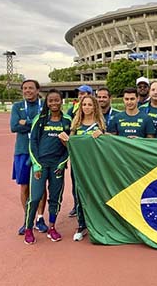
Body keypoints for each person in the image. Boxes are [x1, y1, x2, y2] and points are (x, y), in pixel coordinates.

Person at [24, 89, 72, 244]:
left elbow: (71, 146)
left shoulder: (67, 121)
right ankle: (29, 228)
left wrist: (62, 163)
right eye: (50, 100)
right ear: (47, 102)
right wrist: (36, 165)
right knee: (36, 197)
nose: (53, 103)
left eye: (56, 100)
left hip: (57, 165)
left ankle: (52, 227)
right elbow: (33, 143)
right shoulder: (41, 119)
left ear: (61, 101)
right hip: (41, 165)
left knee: (55, 198)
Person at [59, 95, 105, 242]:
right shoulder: (76, 125)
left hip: (95, 166)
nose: (86, 107)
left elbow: (106, 145)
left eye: (89, 105)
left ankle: (97, 224)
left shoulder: (100, 125)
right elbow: (71, 146)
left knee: (96, 194)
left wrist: (103, 135)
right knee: (79, 194)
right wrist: (64, 140)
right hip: (78, 166)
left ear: (95, 107)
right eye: (84, 104)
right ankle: (81, 225)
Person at [10, 79, 48, 235]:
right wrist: (36, 123)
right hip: (22, 151)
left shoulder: (45, 105)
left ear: (37, 90)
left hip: (41, 151)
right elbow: (14, 126)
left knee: (40, 186)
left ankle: (40, 218)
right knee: (24, 186)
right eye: (25, 88)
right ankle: (28, 219)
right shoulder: (17, 106)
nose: (27, 91)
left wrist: (27, 121)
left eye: (31, 88)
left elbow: (46, 123)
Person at [66, 84, 92, 218]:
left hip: (93, 159)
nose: (81, 96)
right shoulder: (72, 111)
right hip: (78, 158)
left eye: (84, 93)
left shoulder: (97, 117)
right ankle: (77, 206)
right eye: (80, 94)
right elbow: (70, 133)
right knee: (76, 183)